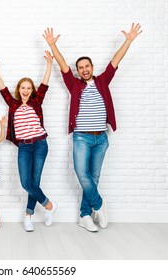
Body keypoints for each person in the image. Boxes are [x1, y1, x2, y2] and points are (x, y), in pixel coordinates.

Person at [43, 23, 142, 232]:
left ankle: (84, 215)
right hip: (81, 137)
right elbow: (62, 65)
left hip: (101, 139)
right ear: (78, 71)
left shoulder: (103, 81)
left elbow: (116, 61)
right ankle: (99, 204)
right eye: (81, 68)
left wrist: (128, 40)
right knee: (82, 173)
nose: (84, 69)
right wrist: (53, 46)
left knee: (94, 177)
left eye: (87, 66)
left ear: (92, 68)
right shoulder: (74, 84)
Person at [0, 51, 57, 232]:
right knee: (27, 183)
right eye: (22, 88)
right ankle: (49, 205)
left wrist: (49, 64)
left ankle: (28, 216)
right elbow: (2, 88)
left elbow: (45, 84)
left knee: (34, 181)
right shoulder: (13, 104)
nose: (25, 90)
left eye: (28, 88)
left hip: (41, 144)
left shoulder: (37, 102)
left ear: (32, 91)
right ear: (18, 90)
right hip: (24, 147)